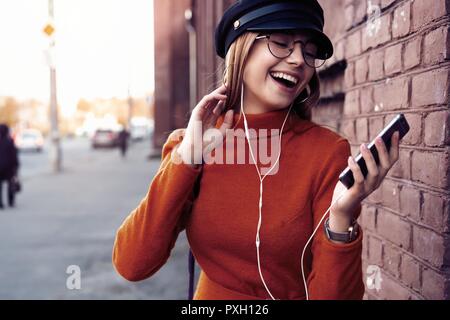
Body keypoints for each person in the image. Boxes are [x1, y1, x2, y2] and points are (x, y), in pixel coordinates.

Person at [112, 0, 400, 300]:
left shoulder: (327, 153)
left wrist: (341, 219)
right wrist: (187, 157)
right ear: (242, 49)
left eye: (309, 50)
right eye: (281, 43)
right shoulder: (191, 145)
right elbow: (132, 264)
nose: (299, 60)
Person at [0, 124, 20, 209]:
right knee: (10, 184)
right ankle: (10, 201)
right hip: (9, 167)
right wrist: (16, 166)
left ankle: (0, 203)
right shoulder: (10, 141)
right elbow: (14, 155)